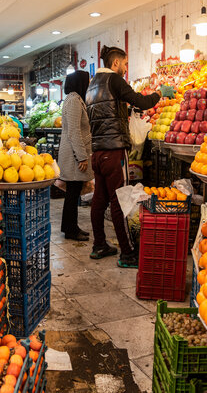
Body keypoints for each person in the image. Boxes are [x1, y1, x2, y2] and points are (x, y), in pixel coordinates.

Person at [86, 46, 161, 268]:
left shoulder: (92, 85)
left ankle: (99, 245)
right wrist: (159, 94)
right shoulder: (114, 81)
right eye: (126, 64)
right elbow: (142, 102)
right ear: (116, 63)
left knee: (99, 200)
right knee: (121, 200)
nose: (126, 69)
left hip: (97, 152)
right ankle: (127, 253)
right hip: (114, 151)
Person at [58, 70, 93, 241]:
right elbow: (74, 131)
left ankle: (70, 226)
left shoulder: (76, 99)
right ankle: (71, 230)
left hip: (74, 153)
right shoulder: (73, 100)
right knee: (72, 192)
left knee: (73, 192)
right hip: (73, 156)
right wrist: (82, 157)